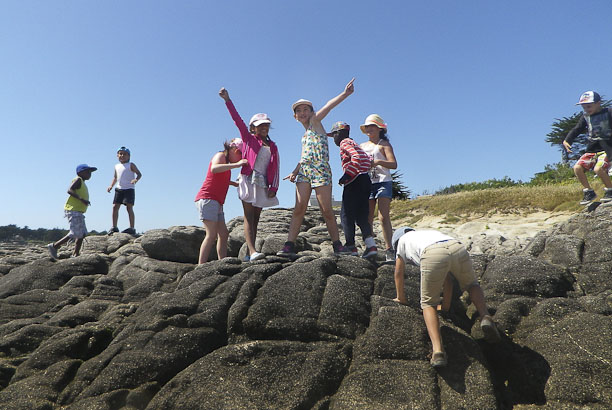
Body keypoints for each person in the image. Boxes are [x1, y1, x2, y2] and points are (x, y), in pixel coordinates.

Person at [392, 227, 500, 368]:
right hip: (456, 247)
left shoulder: (402, 242)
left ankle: (438, 351)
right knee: (472, 284)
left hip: (432, 253)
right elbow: (447, 280)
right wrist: (445, 306)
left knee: (428, 303)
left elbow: (398, 272)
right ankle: (485, 316)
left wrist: (401, 298)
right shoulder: (426, 233)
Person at [277, 78, 355, 257]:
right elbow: (304, 157)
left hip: (321, 170)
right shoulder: (304, 135)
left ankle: (337, 245)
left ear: (312, 112)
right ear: (295, 116)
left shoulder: (316, 123)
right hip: (305, 171)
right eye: (299, 110)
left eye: (306, 109)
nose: (302, 112)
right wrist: (294, 171)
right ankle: (289, 245)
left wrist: (345, 94)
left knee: (326, 210)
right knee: (299, 208)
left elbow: (328, 106)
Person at [219, 88, 280, 262]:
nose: (264, 127)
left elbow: (276, 167)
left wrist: (273, 187)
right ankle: (253, 251)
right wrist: (227, 100)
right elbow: (237, 119)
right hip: (247, 179)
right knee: (248, 215)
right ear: (253, 127)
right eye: (260, 125)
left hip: (262, 183)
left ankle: (249, 253)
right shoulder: (248, 139)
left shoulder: (273, 146)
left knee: (256, 218)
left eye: (266, 124)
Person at [330, 121, 378, 258]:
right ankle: (371, 246)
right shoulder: (354, 143)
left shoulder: (344, 143)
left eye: (333, 135)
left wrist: (347, 175)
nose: (334, 139)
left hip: (354, 181)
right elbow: (367, 160)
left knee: (346, 216)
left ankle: (351, 246)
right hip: (365, 180)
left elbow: (355, 158)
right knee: (362, 216)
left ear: (338, 134)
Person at [194, 139, 247, 264]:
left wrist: (234, 183)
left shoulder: (227, 164)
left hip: (217, 202)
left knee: (223, 234)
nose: (241, 157)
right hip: (208, 199)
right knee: (211, 234)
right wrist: (237, 164)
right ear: (233, 150)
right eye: (240, 153)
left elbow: (220, 177)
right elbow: (214, 169)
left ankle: (222, 262)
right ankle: (200, 266)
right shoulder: (220, 155)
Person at [359, 114, 397, 262]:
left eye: (372, 126)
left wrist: (379, 161)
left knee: (383, 216)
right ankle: (370, 247)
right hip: (367, 183)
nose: (369, 129)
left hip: (383, 182)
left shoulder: (384, 144)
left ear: (379, 128)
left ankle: (390, 249)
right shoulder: (362, 146)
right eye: (367, 127)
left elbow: (393, 164)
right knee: (367, 217)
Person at [563, 91, 612, 205]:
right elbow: (577, 129)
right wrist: (567, 140)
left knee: (598, 169)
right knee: (577, 168)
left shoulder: (609, 112)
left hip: (606, 149)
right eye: (584, 107)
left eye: (589, 106)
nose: (586, 109)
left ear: (598, 103)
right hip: (591, 150)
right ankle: (588, 192)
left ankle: (610, 190)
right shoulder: (585, 117)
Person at [47, 164, 97, 259]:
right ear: (80, 172)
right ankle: (57, 247)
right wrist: (81, 199)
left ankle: (73, 253)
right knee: (77, 233)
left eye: (90, 172)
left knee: (81, 233)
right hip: (73, 210)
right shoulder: (78, 180)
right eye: (87, 172)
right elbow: (70, 190)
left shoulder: (83, 182)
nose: (89, 174)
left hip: (78, 211)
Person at [107, 146, 142, 235]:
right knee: (115, 207)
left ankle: (132, 227)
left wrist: (135, 180)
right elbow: (115, 177)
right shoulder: (116, 166)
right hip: (119, 189)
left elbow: (139, 174)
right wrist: (111, 185)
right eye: (120, 154)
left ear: (129, 156)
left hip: (129, 189)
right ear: (117, 155)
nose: (122, 155)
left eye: (125, 154)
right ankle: (114, 226)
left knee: (129, 208)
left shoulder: (131, 165)